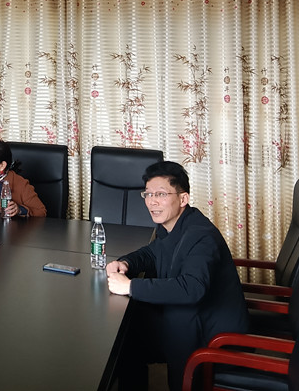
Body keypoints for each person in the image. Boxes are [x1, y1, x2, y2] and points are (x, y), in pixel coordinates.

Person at [105, 160, 249, 391]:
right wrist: (125, 262)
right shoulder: (174, 225)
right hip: (189, 320)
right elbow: (152, 253)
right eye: (148, 194)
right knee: (127, 336)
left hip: (213, 337)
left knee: (128, 338)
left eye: (161, 194)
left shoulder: (201, 235)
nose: (152, 201)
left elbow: (191, 288)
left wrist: (130, 287)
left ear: (183, 199)